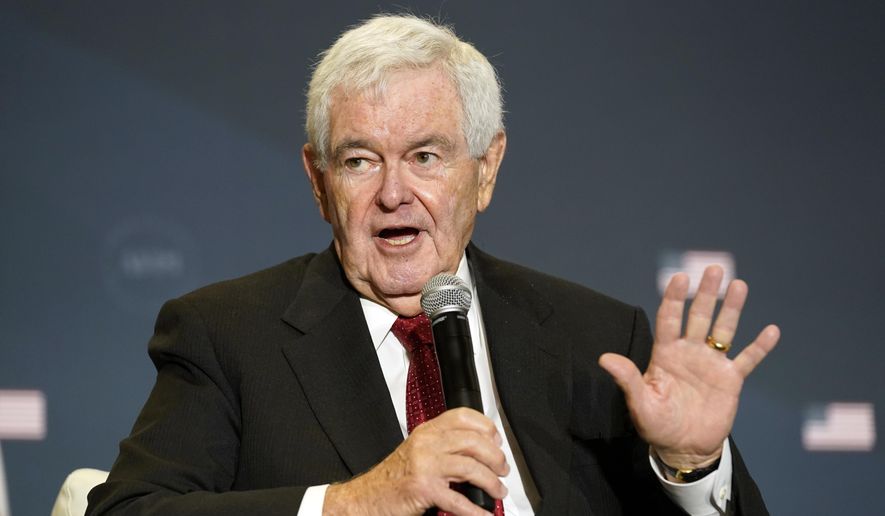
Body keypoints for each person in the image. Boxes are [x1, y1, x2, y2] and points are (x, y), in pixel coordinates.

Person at [87, 14, 779, 516]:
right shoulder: (228, 335)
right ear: (317, 180)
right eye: (359, 160)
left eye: (425, 156)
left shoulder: (595, 343)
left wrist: (691, 466)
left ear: (485, 170)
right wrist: (355, 503)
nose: (393, 193)